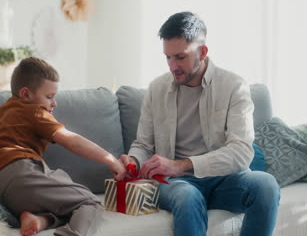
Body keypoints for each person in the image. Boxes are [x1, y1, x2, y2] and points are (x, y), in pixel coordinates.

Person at [120, 12, 280, 236]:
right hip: (177, 184)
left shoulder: (234, 86)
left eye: (180, 57)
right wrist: (134, 161)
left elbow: (242, 152)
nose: (172, 66)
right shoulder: (156, 89)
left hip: (226, 180)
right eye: (168, 57)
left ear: (202, 52)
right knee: (187, 196)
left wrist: (180, 164)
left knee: (266, 185)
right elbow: (143, 144)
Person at [0, 57, 126, 236]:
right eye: (49, 97)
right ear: (26, 94)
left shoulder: (8, 108)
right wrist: (111, 160)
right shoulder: (34, 111)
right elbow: (71, 140)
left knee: (70, 206)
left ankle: (40, 220)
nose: (54, 103)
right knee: (91, 203)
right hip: (22, 174)